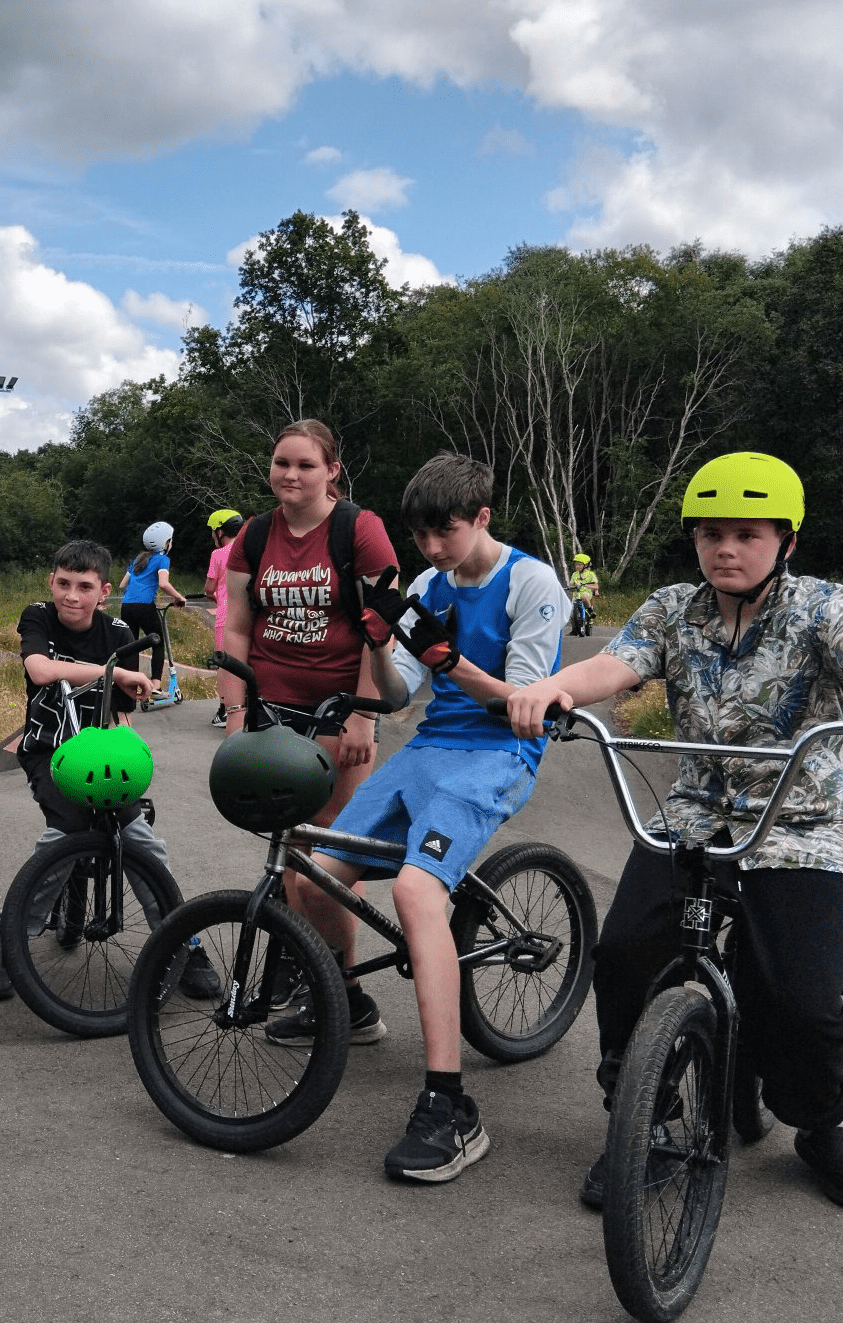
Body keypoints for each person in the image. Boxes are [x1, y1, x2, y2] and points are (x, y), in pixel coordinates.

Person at [505, 452, 843, 1212]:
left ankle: (819, 1122)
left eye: (745, 533)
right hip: (698, 812)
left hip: (808, 823)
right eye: (708, 534)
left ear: (786, 540)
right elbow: (613, 666)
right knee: (625, 951)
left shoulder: (823, 607)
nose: (723, 548)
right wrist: (553, 687)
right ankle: (645, 1118)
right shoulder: (672, 609)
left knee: (799, 999)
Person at [268, 451, 569, 1184]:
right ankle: (349, 1000)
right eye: (421, 537)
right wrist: (377, 640)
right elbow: (400, 694)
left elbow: (523, 704)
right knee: (307, 865)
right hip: (428, 744)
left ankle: (450, 1106)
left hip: (499, 752)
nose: (431, 551)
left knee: (411, 890)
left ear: (482, 517)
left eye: (447, 532)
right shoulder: (430, 583)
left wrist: (448, 654)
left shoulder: (531, 583)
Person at [220, 419, 399, 1012]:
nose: (290, 475)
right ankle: (307, 975)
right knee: (287, 849)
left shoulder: (360, 530)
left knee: (321, 863)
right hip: (272, 711)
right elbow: (238, 628)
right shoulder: (254, 534)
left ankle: (345, 995)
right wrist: (235, 708)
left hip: (339, 708)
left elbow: (382, 630)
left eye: (304, 465)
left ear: (332, 472)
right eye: (281, 463)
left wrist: (363, 717)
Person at [18, 540, 217, 997]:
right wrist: (114, 674)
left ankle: (182, 942)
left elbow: (120, 715)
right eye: (63, 583)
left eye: (84, 586)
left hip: (101, 750)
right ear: (51, 582)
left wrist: (130, 750)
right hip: (51, 749)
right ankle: (17, 938)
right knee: (66, 830)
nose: (71, 595)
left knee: (141, 840)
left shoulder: (121, 632)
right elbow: (41, 670)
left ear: (103, 591)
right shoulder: (38, 615)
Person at [118, 521, 189, 697]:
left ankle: (130, 685)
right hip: (144, 607)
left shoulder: (138, 559)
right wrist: (179, 597)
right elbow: (163, 583)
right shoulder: (162, 559)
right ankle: (156, 685)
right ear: (165, 543)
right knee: (157, 642)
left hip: (127, 606)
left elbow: (121, 585)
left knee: (131, 645)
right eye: (170, 540)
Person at [203, 508, 243, 727]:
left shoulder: (218, 555)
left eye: (212, 531)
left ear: (220, 531)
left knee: (224, 664)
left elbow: (209, 588)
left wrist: (216, 594)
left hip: (226, 616)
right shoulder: (249, 550)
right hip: (248, 617)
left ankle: (225, 710)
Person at [568, 553, 598, 636]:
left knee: (584, 595)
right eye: (576, 564)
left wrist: (587, 585)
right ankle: (574, 630)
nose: (577, 566)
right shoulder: (574, 574)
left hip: (586, 593)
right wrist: (570, 586)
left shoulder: (590, 574)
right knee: (571, 612)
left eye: (579, 564)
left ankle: (589, 609)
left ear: (586, 565)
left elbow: (596, 586)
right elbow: (571, 584)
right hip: (576, 595)